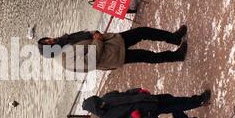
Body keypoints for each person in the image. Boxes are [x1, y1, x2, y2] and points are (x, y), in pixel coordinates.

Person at [37, 26, 188, 72]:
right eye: (48, 44)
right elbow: (89, 62)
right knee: (147, 56)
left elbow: (85, 35)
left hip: (112, 40)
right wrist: (97, 41)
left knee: (143, 32)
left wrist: (93, 33)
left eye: (47, 39)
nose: (51, 40)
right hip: (112, 56)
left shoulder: (64, 40)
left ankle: (174, 38)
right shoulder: (64, 60)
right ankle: (176, 56)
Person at [82, 88, 211, 118]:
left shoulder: (107, 97)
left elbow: (126, 93)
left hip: (147, 99)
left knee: (171, 99)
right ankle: (199, 100)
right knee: (175, 103)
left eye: (100, 101)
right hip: (148, 112)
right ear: (97, 109)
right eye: (100, 104)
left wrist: (138, 91)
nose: (103, 102)